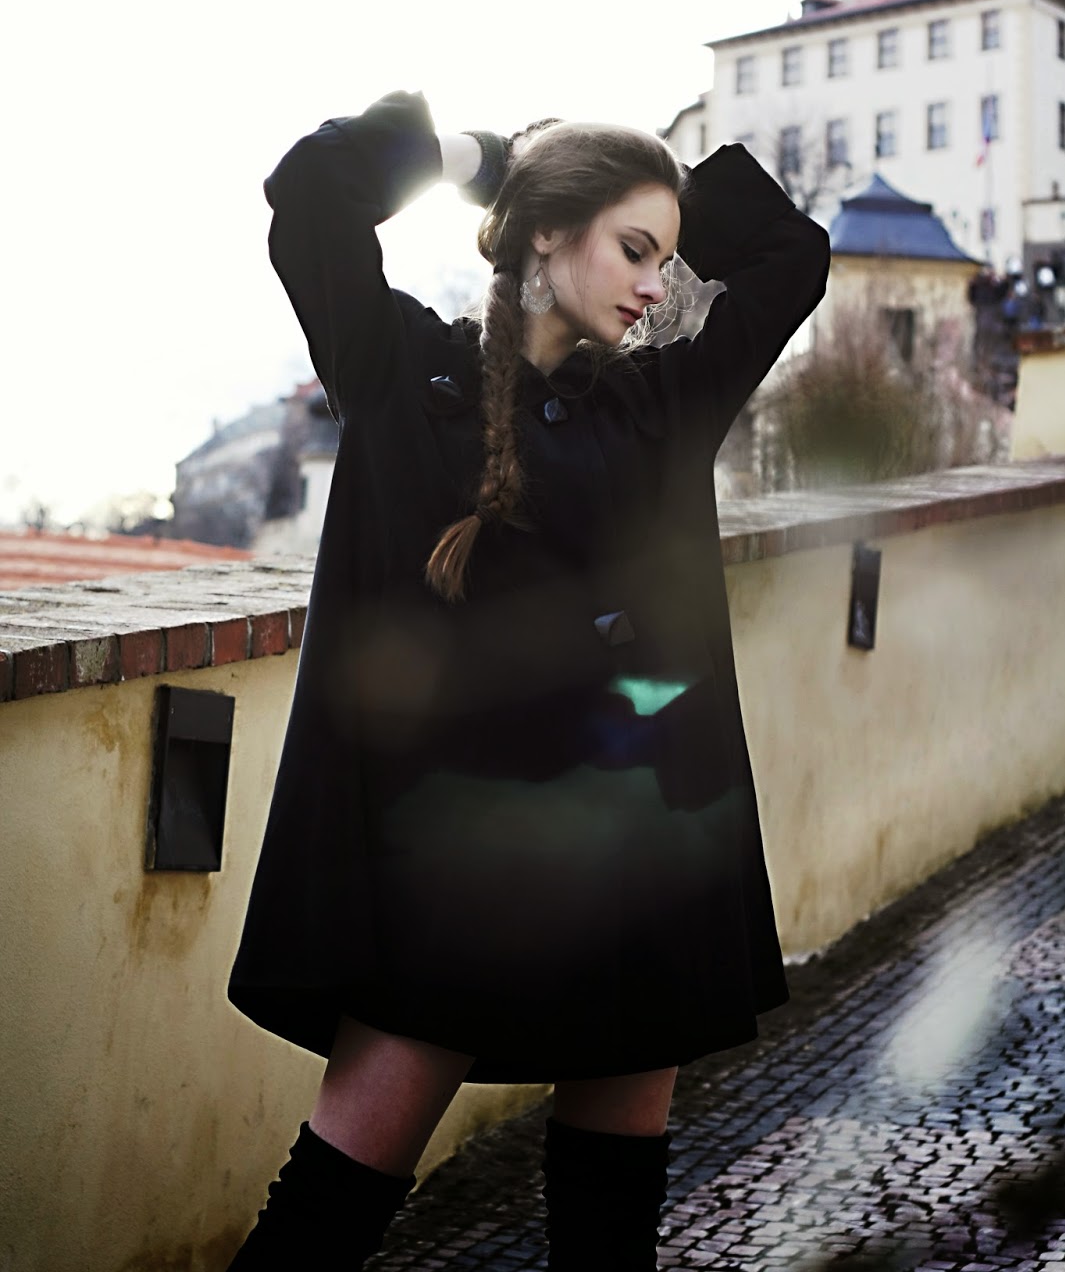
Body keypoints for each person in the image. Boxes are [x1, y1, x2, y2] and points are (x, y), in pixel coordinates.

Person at [225, 89, 831, 1269]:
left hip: (636, 862)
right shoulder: (399, 368)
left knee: (608, 1233)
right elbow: (312, 190)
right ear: (546, 232)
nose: (653, 286)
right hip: (449, 878)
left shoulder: (662, 404)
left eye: (664, 257)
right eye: (631, 248)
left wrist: (655, 184)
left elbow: (791, 258)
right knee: (327, 1211)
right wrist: (490, 157)